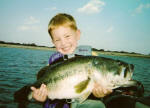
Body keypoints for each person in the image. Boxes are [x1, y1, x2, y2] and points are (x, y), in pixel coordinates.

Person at [30, 13, 112, 108]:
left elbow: (102, 82)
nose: (63, 43)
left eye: (67, 36)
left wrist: (103, 92)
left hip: (84, 103)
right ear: (53, 42)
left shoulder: (93, 58)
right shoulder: (51, 63)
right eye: (57, 40)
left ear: (77, 34)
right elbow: (43, 85)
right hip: (59, 104)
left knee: (98, 105)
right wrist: (40, 97)